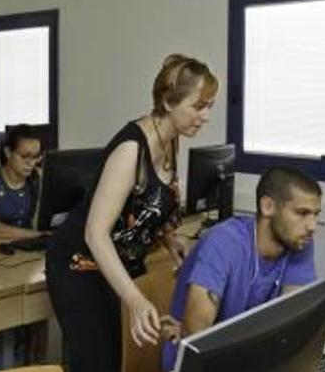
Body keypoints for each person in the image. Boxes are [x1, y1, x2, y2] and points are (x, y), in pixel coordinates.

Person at [45, 54, 218, 372]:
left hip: (119, 262)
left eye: (210, 106)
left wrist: (168, 237)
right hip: (79, 264)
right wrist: (135, 300)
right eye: (198, 106)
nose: (206, 116)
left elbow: (150, 199)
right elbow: (95, 234)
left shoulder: (172, 140)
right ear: (168, 102)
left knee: (128, 357)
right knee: (100, 361)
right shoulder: (131, 150)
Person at [161, 166, 321, 370]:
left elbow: (293, 325)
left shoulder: (298, 242)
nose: (312, 226)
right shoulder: (222, 243)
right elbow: (197, 343)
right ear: (267, 205)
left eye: (315, 215)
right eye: (302, 213)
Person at [0, 124, 45, 240]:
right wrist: (34, 235)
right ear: (8, 152)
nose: (31, 163)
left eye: (35, 157)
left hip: (26, 245)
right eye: (24, 156)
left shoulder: (37, 179)